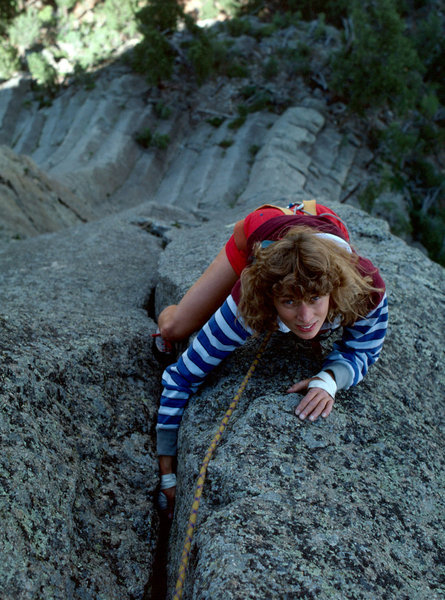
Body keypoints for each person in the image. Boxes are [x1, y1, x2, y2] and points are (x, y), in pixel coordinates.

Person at [155, 202, 388, 518]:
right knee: (174, 327)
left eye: (315, 299)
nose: (305, 318)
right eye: (289, 301)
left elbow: (364, 349)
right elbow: (181, 376)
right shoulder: (249, 300)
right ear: (270, 299)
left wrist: (331, 378)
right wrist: (167, 468)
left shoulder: (365, 287)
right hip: (263, 225)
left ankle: (300, 227)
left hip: (319, 219)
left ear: (332, 289)